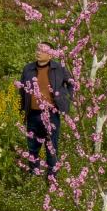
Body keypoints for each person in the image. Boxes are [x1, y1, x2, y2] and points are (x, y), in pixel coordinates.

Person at [18, 42, 74, 176]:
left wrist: (66, 98)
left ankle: (52, 179)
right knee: (32, 148)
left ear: (50, 54)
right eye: (37, 49)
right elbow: (22, 90)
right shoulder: (28, 69)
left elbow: (72, 84)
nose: (38, 52)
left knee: (52, 148)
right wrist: (22, 108)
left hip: (51, 115)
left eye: (42, 50)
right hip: (32, 115)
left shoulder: (59, 68)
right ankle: (34, 176)